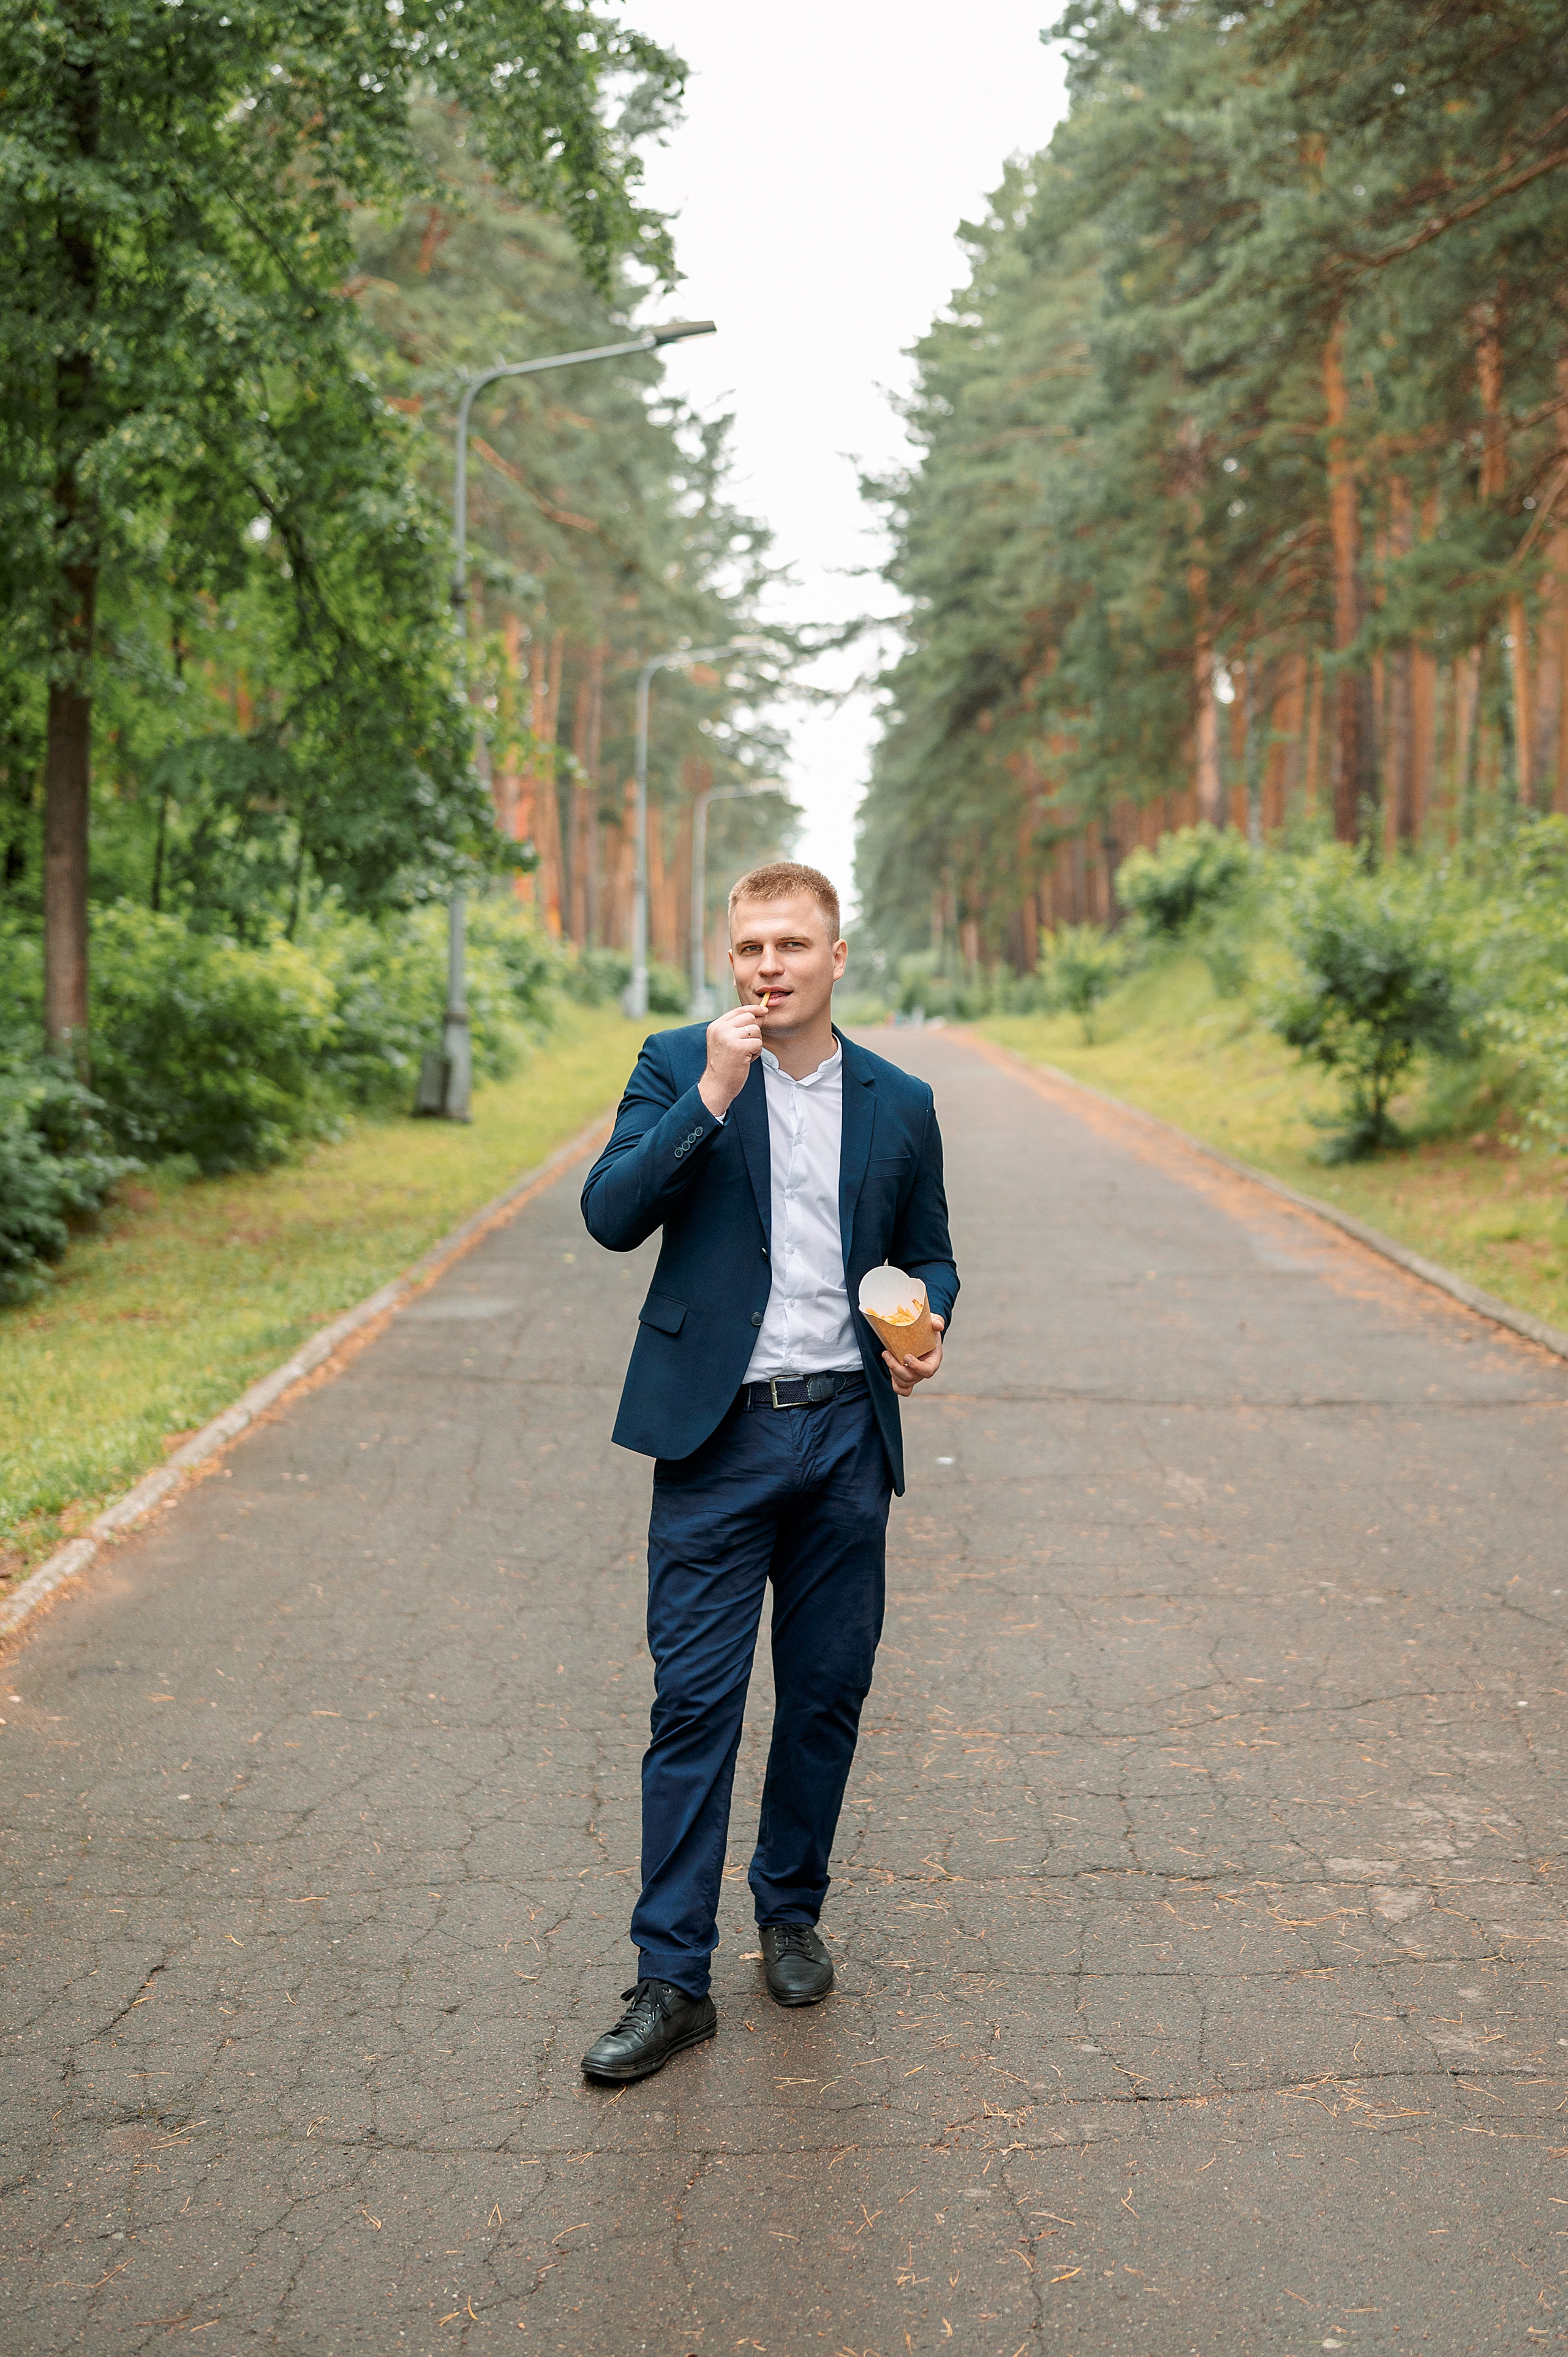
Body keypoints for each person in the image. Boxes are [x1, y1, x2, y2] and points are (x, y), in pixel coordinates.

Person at [576, 861, 959, 2082]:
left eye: (791, 944)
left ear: (837, 957)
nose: (768, 966)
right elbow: (608, 1213)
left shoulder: (899, 1100)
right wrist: (709, 1093)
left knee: (824, 1693)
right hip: (717, 1436)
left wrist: (922, 1322)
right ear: (728, 957)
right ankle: (669, 1977)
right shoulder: (674, 1062)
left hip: (846, 1431)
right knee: (691, 1703)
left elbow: (929, 1256)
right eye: (749, 947)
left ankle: (788, 1911)